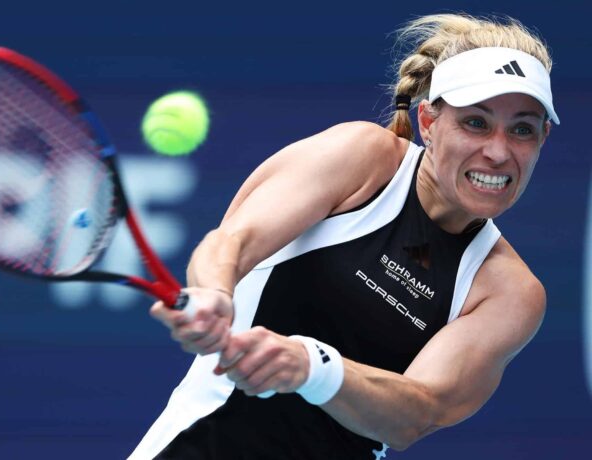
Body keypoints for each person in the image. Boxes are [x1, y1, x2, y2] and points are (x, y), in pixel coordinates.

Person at [130, 13, 559, 460]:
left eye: (522, 130)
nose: (498, 152)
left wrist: (312, 367)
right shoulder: (363, 157)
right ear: (429, 122)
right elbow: (231, 242)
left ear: (542, 139)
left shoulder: (510, 293)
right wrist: (214, 294)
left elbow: (417, 413)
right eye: (476, 123)